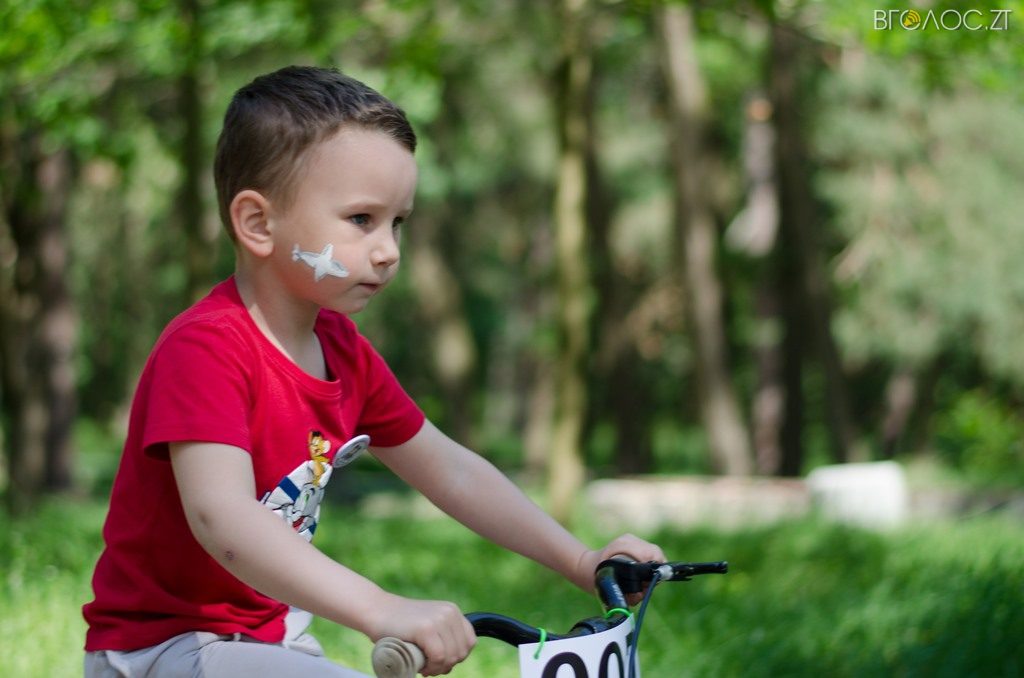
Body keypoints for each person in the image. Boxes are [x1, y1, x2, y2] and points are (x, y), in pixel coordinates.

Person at [82, 65, 664, 678]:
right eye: (361, 220)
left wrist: (581, 561)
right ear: (258, 223)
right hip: (166, 649)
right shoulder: (206, 349)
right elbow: (222, 519)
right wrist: (380, 608)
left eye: (397, 222)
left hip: (269, 642)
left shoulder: (342, 350)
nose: (388, 250)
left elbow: (451, 471)